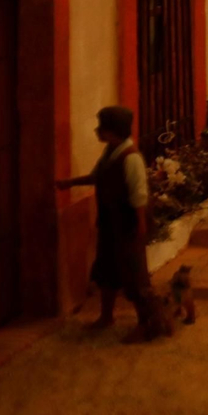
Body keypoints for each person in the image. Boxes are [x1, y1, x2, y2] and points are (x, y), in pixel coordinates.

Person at [54, 106, 164, 342]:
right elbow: (97, 176)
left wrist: (140, 227)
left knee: (135, 277)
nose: (97, 131)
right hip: (110, 222)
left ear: (112, 130)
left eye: (101, 127)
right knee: (107, 269)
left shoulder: (130, 157)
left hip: (127, 225)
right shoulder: (110, 152)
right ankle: (106, 316)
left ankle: (147, 324)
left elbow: (138, 195)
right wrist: (69, 183)